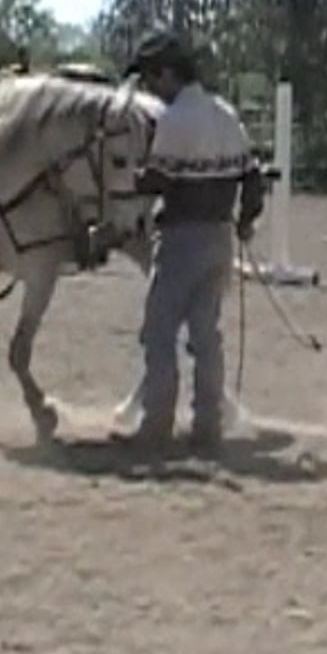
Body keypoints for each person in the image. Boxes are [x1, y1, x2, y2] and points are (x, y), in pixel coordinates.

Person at [116, 31, 266, 455]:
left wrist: (127, 177)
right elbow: (253, 179)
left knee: (159, 331)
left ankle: (157, 425)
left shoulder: (174, 121)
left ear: (167, 74)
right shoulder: (225, 114)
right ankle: (207, 426)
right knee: (206, 335)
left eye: (150, 79)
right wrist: (247, 221)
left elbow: (159, 181)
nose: (150, 89)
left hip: (182, 237)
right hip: (220, 236)